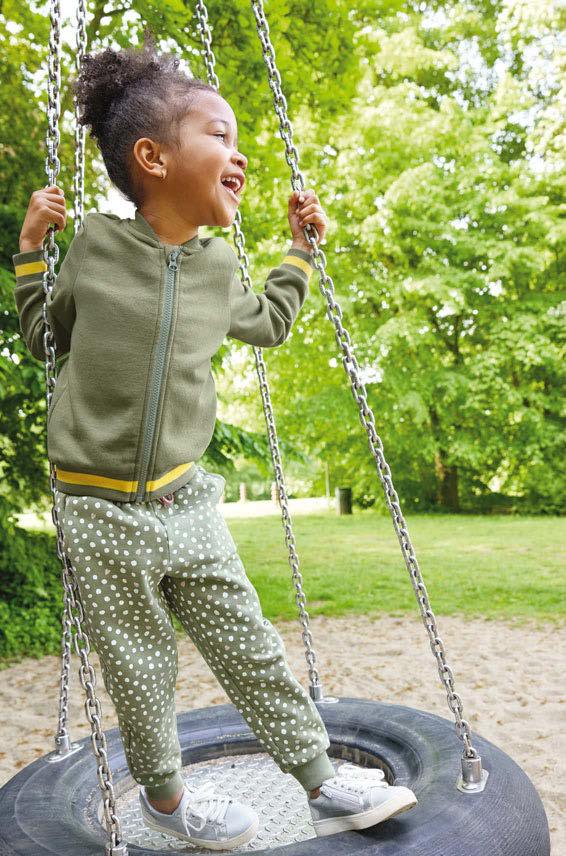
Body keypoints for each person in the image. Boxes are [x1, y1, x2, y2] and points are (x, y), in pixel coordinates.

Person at [12, 33, 417, 850]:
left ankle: (320, 783)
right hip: (98, 509)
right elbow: (43, 338)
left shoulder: (216, 265)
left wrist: (300, 252)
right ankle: (166, 801)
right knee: (140, 664)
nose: (240, 155)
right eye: (220, 135)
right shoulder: (93, 245)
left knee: (249, 641)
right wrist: (30, 254)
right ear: (153, 157)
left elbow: (269, 322)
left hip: (186, 498)